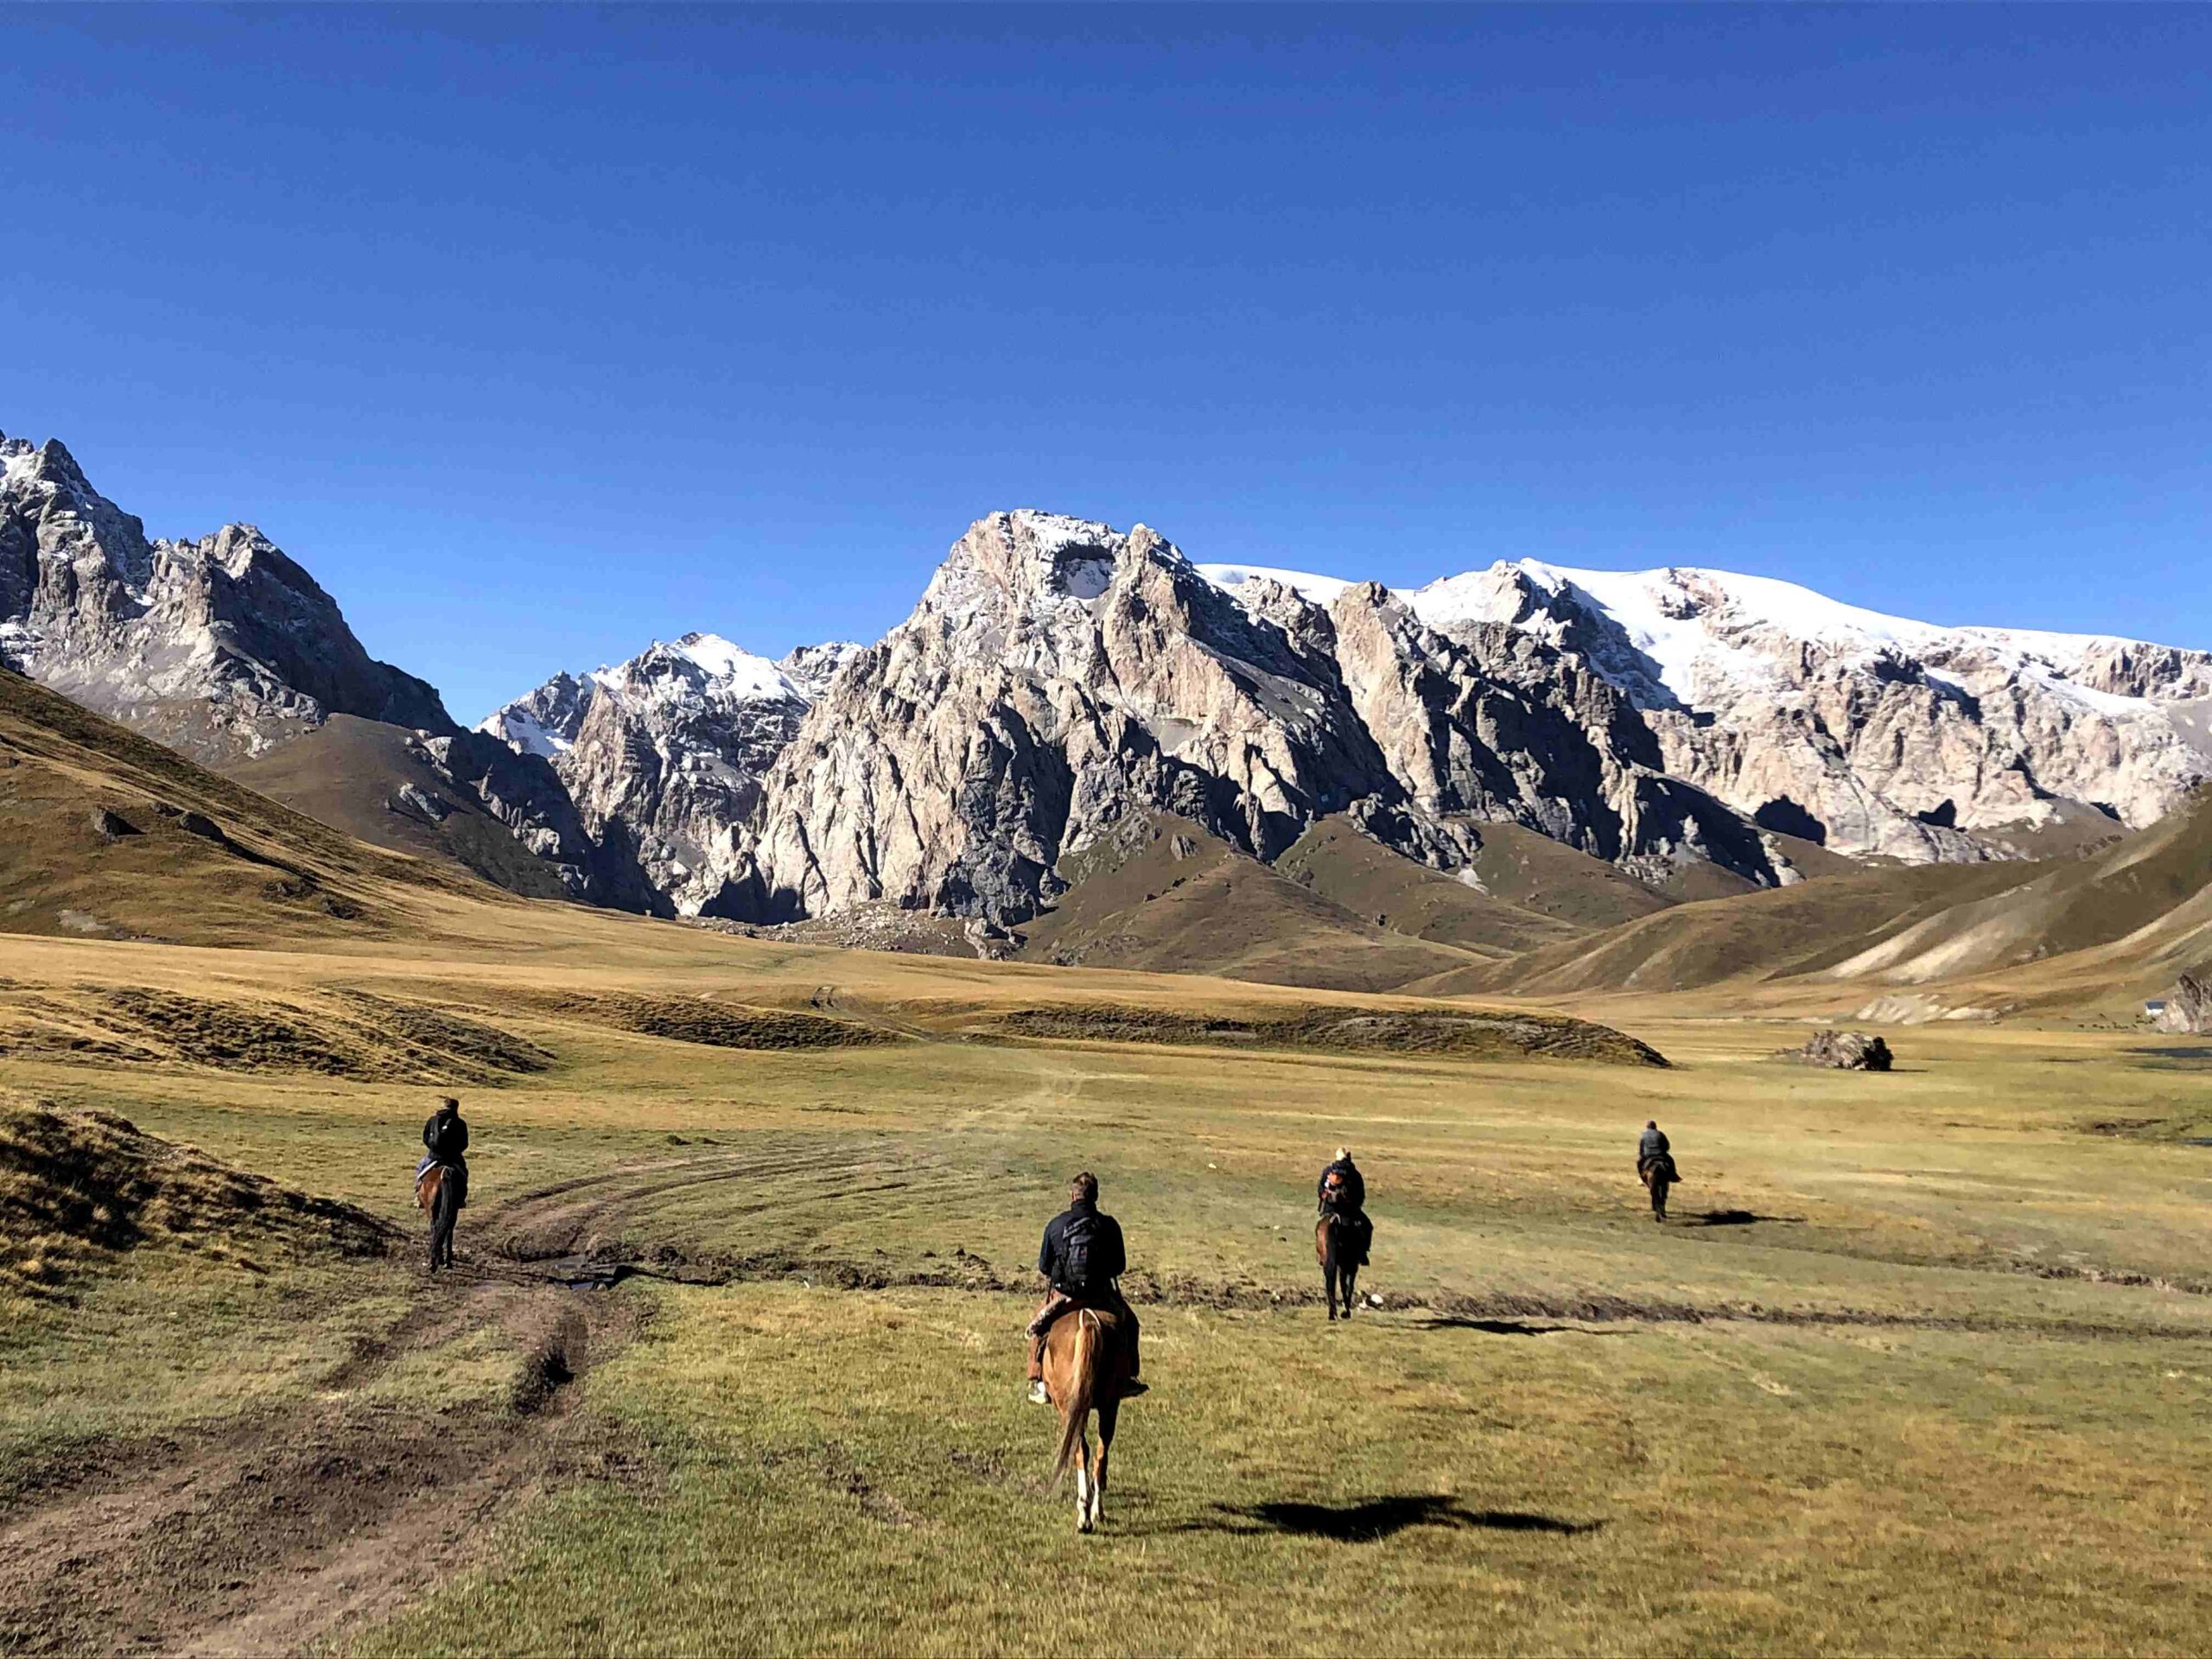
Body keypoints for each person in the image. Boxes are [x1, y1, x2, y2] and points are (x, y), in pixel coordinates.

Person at [1027, 1171, 1144, 1404]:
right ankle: (1129, 1378)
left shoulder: (1055, 1225)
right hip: (1101, 1296)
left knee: (1037, 1328)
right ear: (1096, 1196)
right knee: (1131, 1324)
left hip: (1064, 1295)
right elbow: (1119, 1265)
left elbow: (1043, 1265)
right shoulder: (1109, 1225)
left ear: (1072, 1196)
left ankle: (1037, 1379)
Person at [1317, 1146, 1371, 1264]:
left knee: (1320, 1228)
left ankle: (1321, 1254)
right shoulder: (1354, 1174)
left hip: (1329, 1208)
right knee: (1367, 1226)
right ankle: (1363, 1253)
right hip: (1349, 1211)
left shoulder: (1328, 1171)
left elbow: (1320, 1189)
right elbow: (1360, 1195)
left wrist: (1325, 1196)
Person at [419, 1096, 470, 1211]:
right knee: (464, 1174)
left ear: (444, 1106)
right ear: (456, 1108)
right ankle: (461, 1199)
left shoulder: (432, 1120)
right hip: (453, 1158)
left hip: (434, 1156)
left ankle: (418, 1196)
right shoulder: (460, 1123)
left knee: (420, 1170)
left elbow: (425, 1138)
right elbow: (464, 1143)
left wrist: (433, 1149)